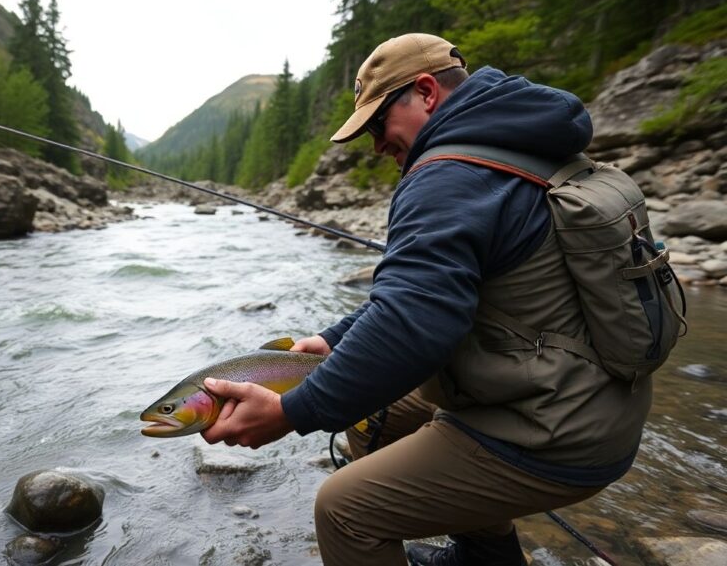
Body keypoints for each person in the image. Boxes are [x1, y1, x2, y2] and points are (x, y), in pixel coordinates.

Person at [200, 33, 652, 566]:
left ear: (426, 92)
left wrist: (292, 411)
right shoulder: (523, 140)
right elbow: (426, 293)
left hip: (557, 429)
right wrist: (332, 342)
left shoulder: (446, 174)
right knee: (377, 416)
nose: (376, 147)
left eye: (377, 125)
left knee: (344, 509)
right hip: (600, 396)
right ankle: (487, 557)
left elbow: (411, 322)